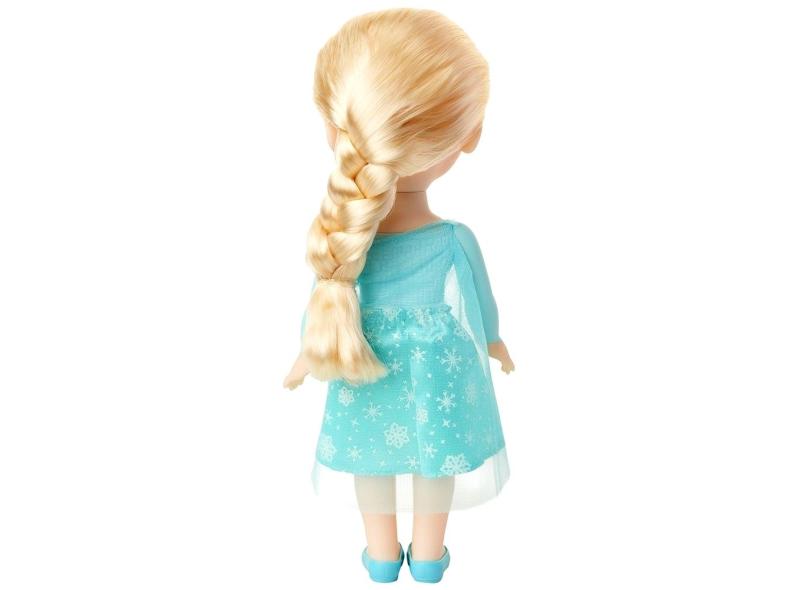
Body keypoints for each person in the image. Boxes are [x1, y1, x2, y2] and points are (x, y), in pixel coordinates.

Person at [283, 8, 515, 583]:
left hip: (362, 356)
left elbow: (327, 288)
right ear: (469, 136)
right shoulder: (453, 238)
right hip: (437, 363)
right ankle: (429, 554)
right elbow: (479, 301)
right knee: (434, 459)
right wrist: (492, 341)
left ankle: (382, 553)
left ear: (334, 132)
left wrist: (309, 350)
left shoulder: (345, 241)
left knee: (373, 458)